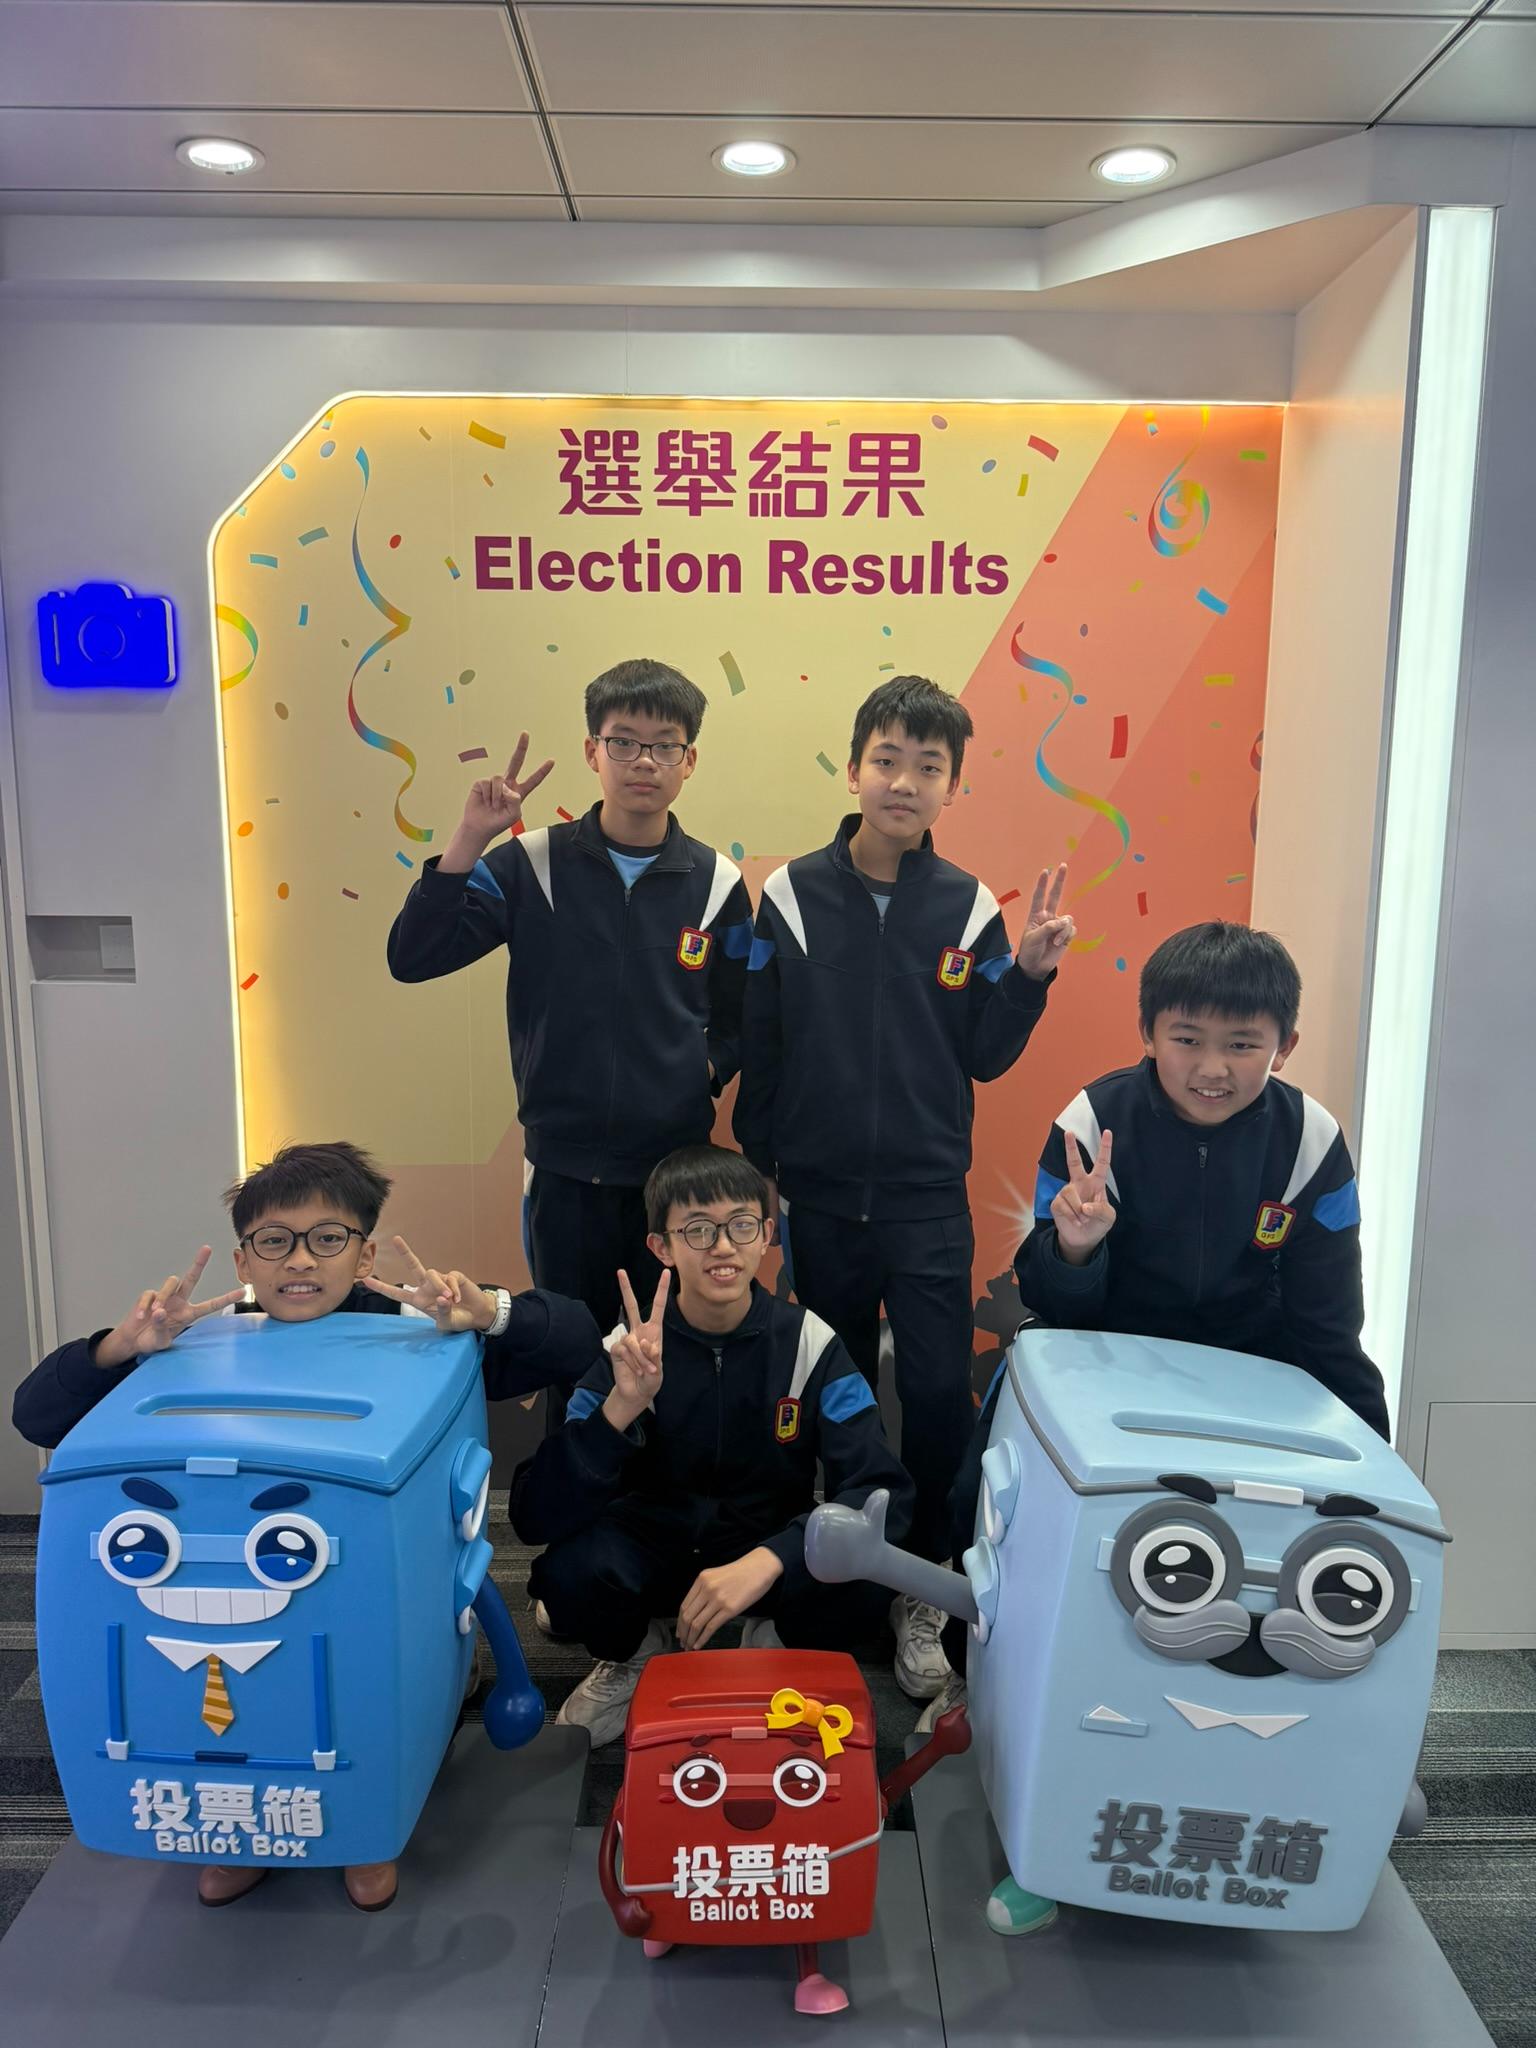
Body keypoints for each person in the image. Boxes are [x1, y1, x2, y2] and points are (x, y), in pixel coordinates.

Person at [933, 920, 1389, 1937]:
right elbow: (1054, 1304)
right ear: (1149, 1033)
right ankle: (996, 1709)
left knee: (1273, 1571)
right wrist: (1076, 1246)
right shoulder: (1092, 1119)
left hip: (1250, 1380)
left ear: (1285, 1045)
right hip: (1102, 1362)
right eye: (1188, 1039)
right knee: (991, 1503)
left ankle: (1307, 1768)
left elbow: (1328, 1322)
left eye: (1242, 1043)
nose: (1212, 1067)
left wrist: (1370, 1462)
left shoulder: (1311, 1143)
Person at [14, 1139, 599, 1912]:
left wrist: (486, 1313)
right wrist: (123, 1347)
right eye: (274, 1241)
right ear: (242, 1260)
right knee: (255, 1697)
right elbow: (36, 1416)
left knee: (356, 1693)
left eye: (327, 1239)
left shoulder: (420, 1321)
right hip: (241, 1584)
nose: (300, 1260)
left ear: (363, 1254)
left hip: (376, 1586)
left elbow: (577, 1340)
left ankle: (364, 1828)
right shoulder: (206, 1338)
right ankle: (240, 1831)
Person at [732, 675, 1073, 1702]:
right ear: (854, 769)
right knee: (822, 1394)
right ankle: (819, 1573)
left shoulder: (965, 905)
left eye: (929, 767)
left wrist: (1029, 976)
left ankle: (924, 1587)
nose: (904, 781)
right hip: (820, 1195)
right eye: (887, 759)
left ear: (951, 787)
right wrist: (768, 1167)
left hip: (926, 1197)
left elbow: (985, 1053)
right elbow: (762, 1041)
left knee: (931, 1397)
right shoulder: (791, 894)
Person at [386, 658, 753, 1413]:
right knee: (571, 1356)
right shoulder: (531, 864)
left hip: (670, 1174)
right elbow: (413, 957)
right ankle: (575, 1485)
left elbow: (743, 1015)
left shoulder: (717, 883)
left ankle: (662, 1487)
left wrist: (703, 1071)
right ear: (593, 751)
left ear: (689, 760)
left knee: (667, 1354)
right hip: (563, 1171)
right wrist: (468, 838)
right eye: (624, 742)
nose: (643, 762)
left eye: (664, 745)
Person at [510, 1144, 915, 1748]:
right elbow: (532, 1515)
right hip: (650, 1548)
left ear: (767, 1235)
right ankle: (637, 1654)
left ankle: (774, 1642)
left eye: (741, 1226)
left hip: (765, 1546)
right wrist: (620, 1409)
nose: (722, 1247)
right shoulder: (627, 1350)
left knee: (867, 1577)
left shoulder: (810, 1343)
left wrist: (774, 1557)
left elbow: (883, 1494)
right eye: (697, 1230)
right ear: (661, 1247)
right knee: (567, 1577)